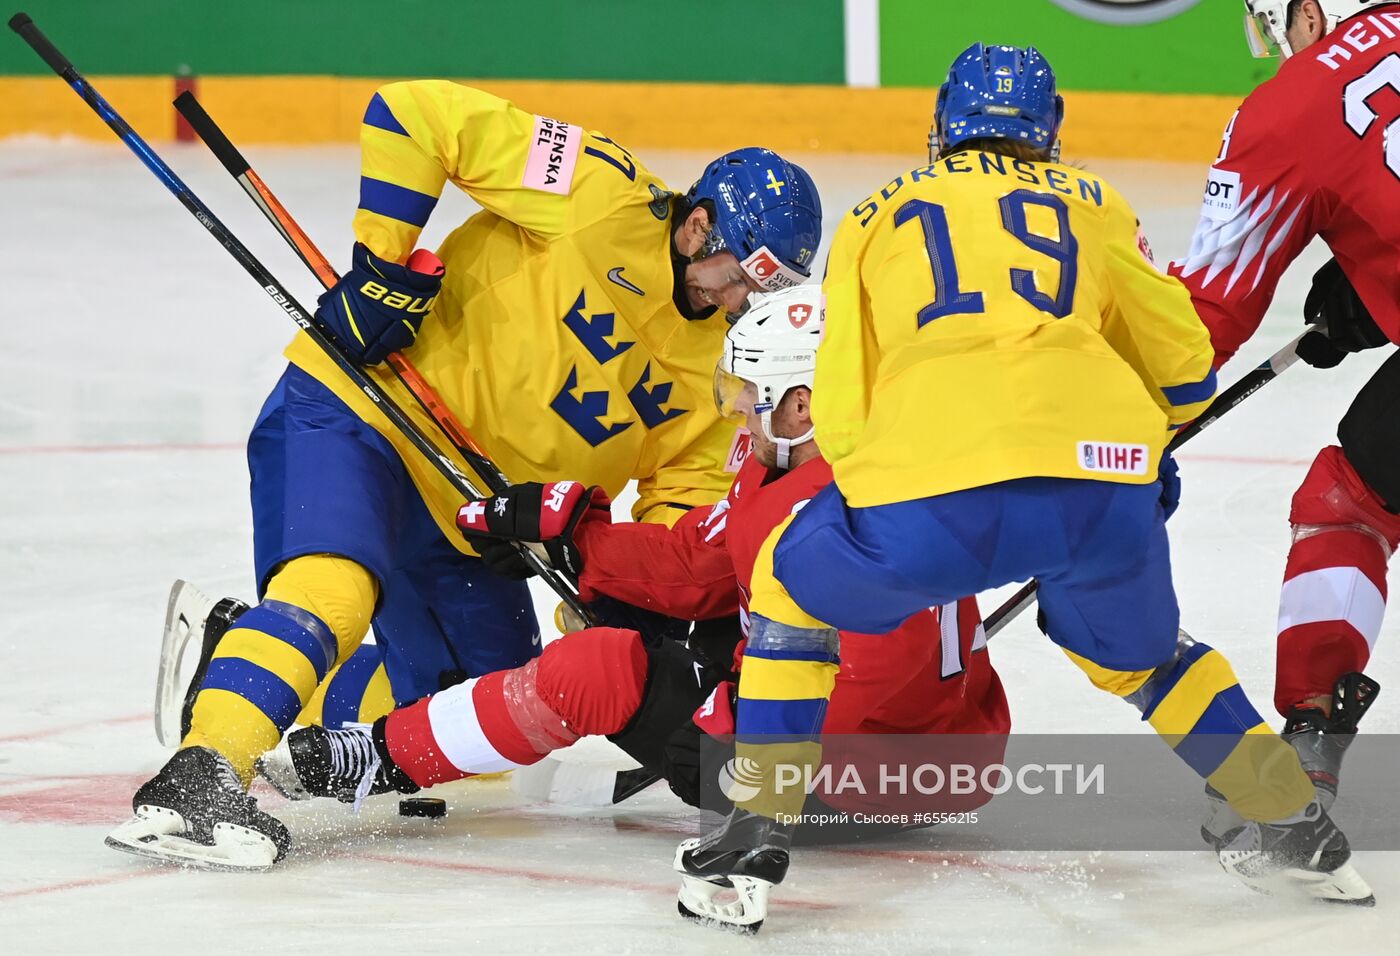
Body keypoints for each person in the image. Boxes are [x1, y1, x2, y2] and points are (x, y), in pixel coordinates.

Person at [678, 43, 1375, 932]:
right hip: (1098, 488)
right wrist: (1127, 462)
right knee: (1146, 654)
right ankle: (1294, 824)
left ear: (941, 130)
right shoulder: (1099, 203)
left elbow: (844, 409)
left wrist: (888, 502)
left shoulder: (873, 217)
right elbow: (1187, 368)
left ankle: (754, 830)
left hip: (930, 492)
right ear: (1047, 134)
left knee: (789, 582)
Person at [105, 78, 822, 871]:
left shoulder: (723, 375)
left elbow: (674, 518)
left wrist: (611, 595)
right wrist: (379, 267)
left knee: (481, 711)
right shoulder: (597, 187)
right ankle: (201, 776)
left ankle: (235, 658)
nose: (739, 301)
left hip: (474, 516)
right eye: (737, 275)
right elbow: (416, 116)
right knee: (333, 587)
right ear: (696, 225)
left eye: (764, 289)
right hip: (364, 412)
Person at [258, 286, 1009, 870]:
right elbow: (699, 564)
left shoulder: (846, 518)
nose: (738, 414)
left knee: (596, 667)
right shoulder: (831, 468)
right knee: (638, 623)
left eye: (749, 397)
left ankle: (379, 755)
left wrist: (736, 735)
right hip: (908, 738)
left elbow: (876, 685)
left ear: (802, 406)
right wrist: (577, 536)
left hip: (857, 773)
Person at [1169, 0, 1389, 837]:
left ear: (1309, 13)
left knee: (1350, 501)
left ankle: (1308, 744)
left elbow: (1203, 322)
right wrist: (1377, 289)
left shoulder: (1291, 105)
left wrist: (1122, 433)